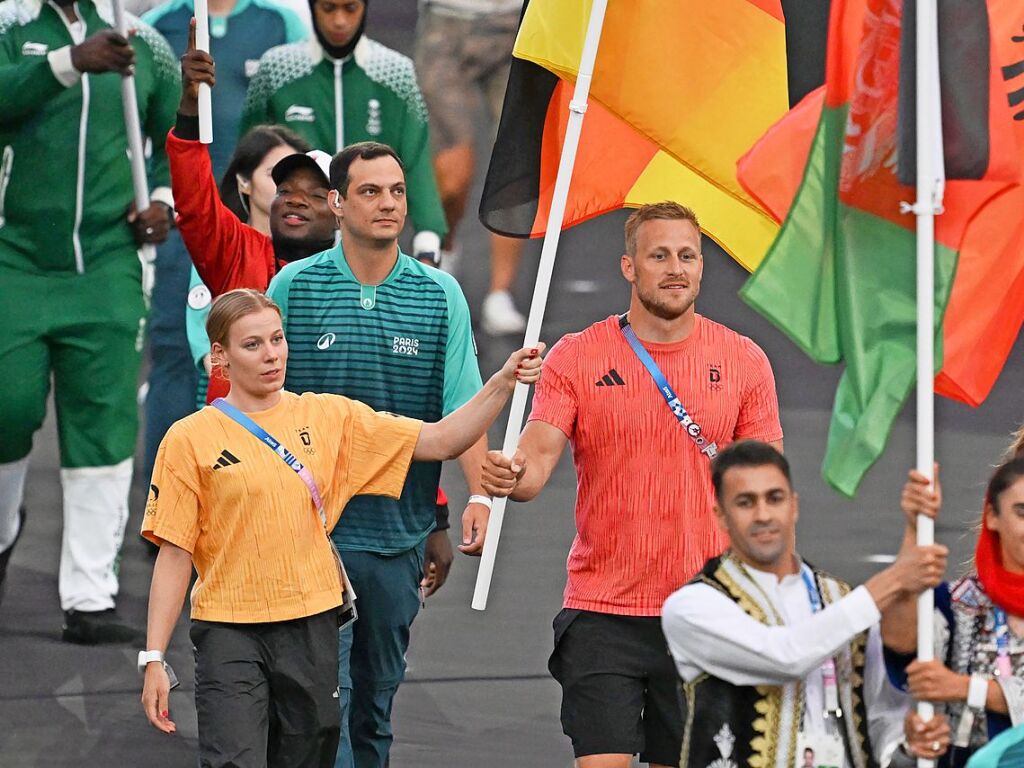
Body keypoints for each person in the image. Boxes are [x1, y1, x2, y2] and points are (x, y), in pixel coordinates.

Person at [139, 288, 543, 768]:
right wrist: (153, 657)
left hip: (311, 624)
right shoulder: (188, 439)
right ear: (220, 357)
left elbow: (440, 439)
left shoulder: (329, 417)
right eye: (253, 345)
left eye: (277, 339)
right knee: (233, 760)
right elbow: (175, 553)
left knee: (310, 757)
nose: (271, 354)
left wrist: (501, 382)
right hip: (230, 628)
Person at [481, 202, 784, 767]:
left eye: (687, 255)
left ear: (701, 267)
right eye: (659, 255)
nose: (675, 268)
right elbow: (537, 459)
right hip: (603, 612)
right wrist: (510, 476)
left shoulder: (744, 361)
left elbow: (768, 491)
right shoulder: (577, 356)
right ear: (628, 267)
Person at [267, 140, 491, 768]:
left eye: (396, 190)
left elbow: (461, 409)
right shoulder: (294, 287)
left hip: (399, 538)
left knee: (374, 711)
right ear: (337, 204)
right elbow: (262, 408)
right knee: (321, 713)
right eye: (370, 191)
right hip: (313, 538)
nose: (389, 203)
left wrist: (473, 500)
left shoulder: (440, 295)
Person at [0, 0, 179, 642]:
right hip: (11, 256)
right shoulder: (9, 24)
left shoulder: (146, 45)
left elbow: (164, 147)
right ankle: (2, 533)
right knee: (7, 410)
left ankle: (90, 595)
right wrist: (69, 62)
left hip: (107, 262)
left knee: (103, 425)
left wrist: (160, 203)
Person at [661, 440, 952, 768]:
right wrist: (895, 579)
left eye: (775, 498)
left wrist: (907, 747)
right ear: (721, 516)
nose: (763, 515)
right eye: (745, 502)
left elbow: (880, 712)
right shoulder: (692, 606)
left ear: (794, 506)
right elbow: (785, 657)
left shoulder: (837, 597)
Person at [139, 0, 309, 477]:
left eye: (301, 179)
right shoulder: (235, 253)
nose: (291, 192)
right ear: (245, 184)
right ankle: (164, 500)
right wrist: (190, 104)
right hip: (234, 463)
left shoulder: (338, 263)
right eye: (277, 177)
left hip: (313, 461)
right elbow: (193, 199)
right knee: (173, 359)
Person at [240, 0, 447, 266]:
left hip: (369, 250)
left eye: (350, 9)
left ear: (365, 8)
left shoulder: (396, 72)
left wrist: (428, 242)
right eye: (329, 8)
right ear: (313, 7)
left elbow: (416, 160)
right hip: (292, 250)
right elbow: (248, 154)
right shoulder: (276, 68)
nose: (339, 21)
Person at [881, 457, 1024, 767]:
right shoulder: (957, 603)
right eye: (1022, 512)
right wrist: (915, 526)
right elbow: (900, 642)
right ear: (992, 517)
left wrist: (967, 688)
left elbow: (951, 685)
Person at [413, 0, 527, 335]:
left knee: (514, 158)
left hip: (518, 24)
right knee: (453, 172)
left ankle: (500, 293)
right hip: (447, 24)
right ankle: (445, 252)